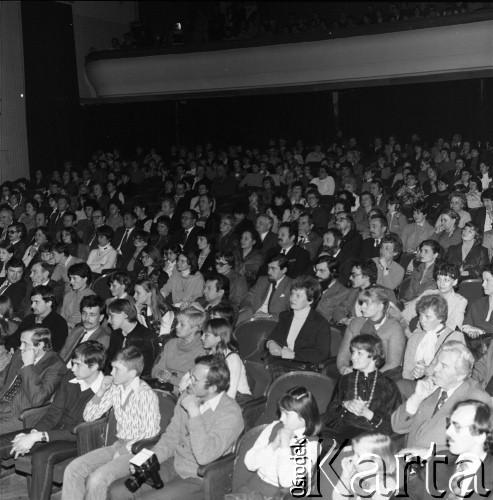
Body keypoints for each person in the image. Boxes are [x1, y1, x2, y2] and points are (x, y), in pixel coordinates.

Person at [107, 354, 244, 500]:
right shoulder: (187, 396)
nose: (187, 382)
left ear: (212, 388)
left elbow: (205, 457)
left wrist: (195, 413)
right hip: (175, 462)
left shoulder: (230, 414)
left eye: (194, 380)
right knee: (118, 491)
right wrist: (147, 461)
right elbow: (170, 438)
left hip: (200, 475)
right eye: (190, 375)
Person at [0, 341, 106, 500]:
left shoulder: (104, 390)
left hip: (77, 439)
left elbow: (79, 430)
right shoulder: (71, 376)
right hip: (51, 431)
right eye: (72, 362)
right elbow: (54, 413)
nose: (72, 367)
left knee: (42, 457)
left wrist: (37, 437)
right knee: (3, 442)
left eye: (77, 364)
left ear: (94, 366)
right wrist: (33, 433)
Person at [61, 346, 160, 500]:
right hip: (118, 445)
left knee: (96, 479)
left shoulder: (146, 395)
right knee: (73, 469)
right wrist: (101, 391)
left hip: (137, 451)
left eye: (116, 369)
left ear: (132, 373)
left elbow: (150, 433)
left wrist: (124, 451)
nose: (111, 373)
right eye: (112, 367)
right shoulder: (116, 387)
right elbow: (89, 416)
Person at [391, 342, 491, 450]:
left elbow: (474, 446)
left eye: (444, 366)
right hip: (407, 460)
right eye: (437, 362)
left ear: (461, 375)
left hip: (440, 464)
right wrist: (416, 399)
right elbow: (397, 426)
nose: (436, 369)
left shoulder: (476, 400)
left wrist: (428, 454)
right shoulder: (431, 385)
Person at [234, 387, 321, 497]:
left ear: (303, 416)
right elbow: (250, 464)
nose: (281, 418)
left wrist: (285, 445)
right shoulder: (274, 427)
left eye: (286, 414)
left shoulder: (311, 445)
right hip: (251, 487)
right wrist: (273, 445)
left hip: (278, 495)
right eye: (281, 412)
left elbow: (286, 481)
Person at [406, 399, 493, 500]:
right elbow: (408, 495)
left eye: (457, 426)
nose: (448, 432)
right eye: (449, 424)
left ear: (480, 436)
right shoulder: (440, 460)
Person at [0, 328, 66, 433]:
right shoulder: (19, 353)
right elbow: (2, 378)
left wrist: (28, 366)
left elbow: (37, 400)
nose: (20, 347)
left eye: (25, 343)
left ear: (40, 345)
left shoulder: (56, 366)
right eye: (20, 342)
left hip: (19, 415)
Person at [265, 276, 331, 378]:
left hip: (304, 367)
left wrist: (294, 355)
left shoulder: (320, 323)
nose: (292, 298)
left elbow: (322, 354)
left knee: (280, 379)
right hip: (281, 363)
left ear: (310, 300)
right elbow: (272, 337)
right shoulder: (285, 316)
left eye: (298, 295)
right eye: (292, 293)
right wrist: (270, 343)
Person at [337, 287, 406, 377]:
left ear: (380, 306)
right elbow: (343, 354)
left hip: (382, 375)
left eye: (367, 304)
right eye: (361, 303)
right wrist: (344, 368)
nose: (362, 307)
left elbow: (393, 363)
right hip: (353, 371)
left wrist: (369, 376)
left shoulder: (394, 328)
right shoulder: (355, 323)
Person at [152, 306, 206, 393]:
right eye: (177, 322)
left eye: (182, 324)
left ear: (194, 328)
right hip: (162, 389)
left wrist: (171, 379)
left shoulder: (203, 350)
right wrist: (160, 374)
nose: (176, 326)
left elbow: (196, 384)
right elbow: (157, 368)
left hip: (184, 395)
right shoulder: (171, 343)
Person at [402, 263, 467, 332]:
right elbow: (405, 314)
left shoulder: (460, 301)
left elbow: (454, 327)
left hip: (442, 338)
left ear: (455, 282)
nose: (441, 283)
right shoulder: (428, 294)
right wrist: (409, 335)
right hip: (419, 335)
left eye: (446, 280)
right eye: (439, 279)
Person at [332, 432, 397, 500]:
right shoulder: (354, 472)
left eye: (358, 456)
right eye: (354, 452)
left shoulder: (386, 486)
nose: (353, 458)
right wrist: (345, 476)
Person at [200, 318, 251, 402]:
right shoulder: (212, 354)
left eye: (206, 335)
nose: (201, 337)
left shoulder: (232, 359)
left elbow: (230, 395)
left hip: (236, 403)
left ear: (219, 338)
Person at [5, 285, 68, 352]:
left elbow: (53, 349)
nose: (32, 306)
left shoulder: (59, 323)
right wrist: (10, 348)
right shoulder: (30, 318)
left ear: (49, 303)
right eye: (32, 302)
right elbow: (15, 337)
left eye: (36, 302)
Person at [105, 299, 157, 377]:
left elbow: (149, 370)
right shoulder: (115, 334)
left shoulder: (147, 337)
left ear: (125, 314)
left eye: (111, 316)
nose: (108, 321)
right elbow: (109, 363)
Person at [238, 253, 292, 324]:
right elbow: (248, 298)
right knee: (241, 317)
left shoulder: (291, 285)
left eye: (273, 269)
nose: (269, 272)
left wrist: (270, 316)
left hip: (273, 321)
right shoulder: (262, 280)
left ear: (284, 270)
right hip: (254, 315)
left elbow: (291, 313)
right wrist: (247, 309)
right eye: (268, 268)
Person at [59, 295, 111, 363]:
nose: (86, 318)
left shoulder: (103, 338)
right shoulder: (75, 330)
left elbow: (89, 366)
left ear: (101, 318)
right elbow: (62, 355)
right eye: (84, 313)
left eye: (92, 315)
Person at [314, 254, 351, 325]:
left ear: (333, 271)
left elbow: (337, 316)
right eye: (316, 270)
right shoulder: (311, 284)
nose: (317, 274)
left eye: (321, 270)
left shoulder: (344, 292)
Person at [60, 262, 96, 329]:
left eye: (74, 278)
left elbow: (87, 322)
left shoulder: (91, 297)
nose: (71, 282)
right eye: (70, 278)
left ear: (84, 279)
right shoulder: (69, 294)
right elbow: (62, 315)